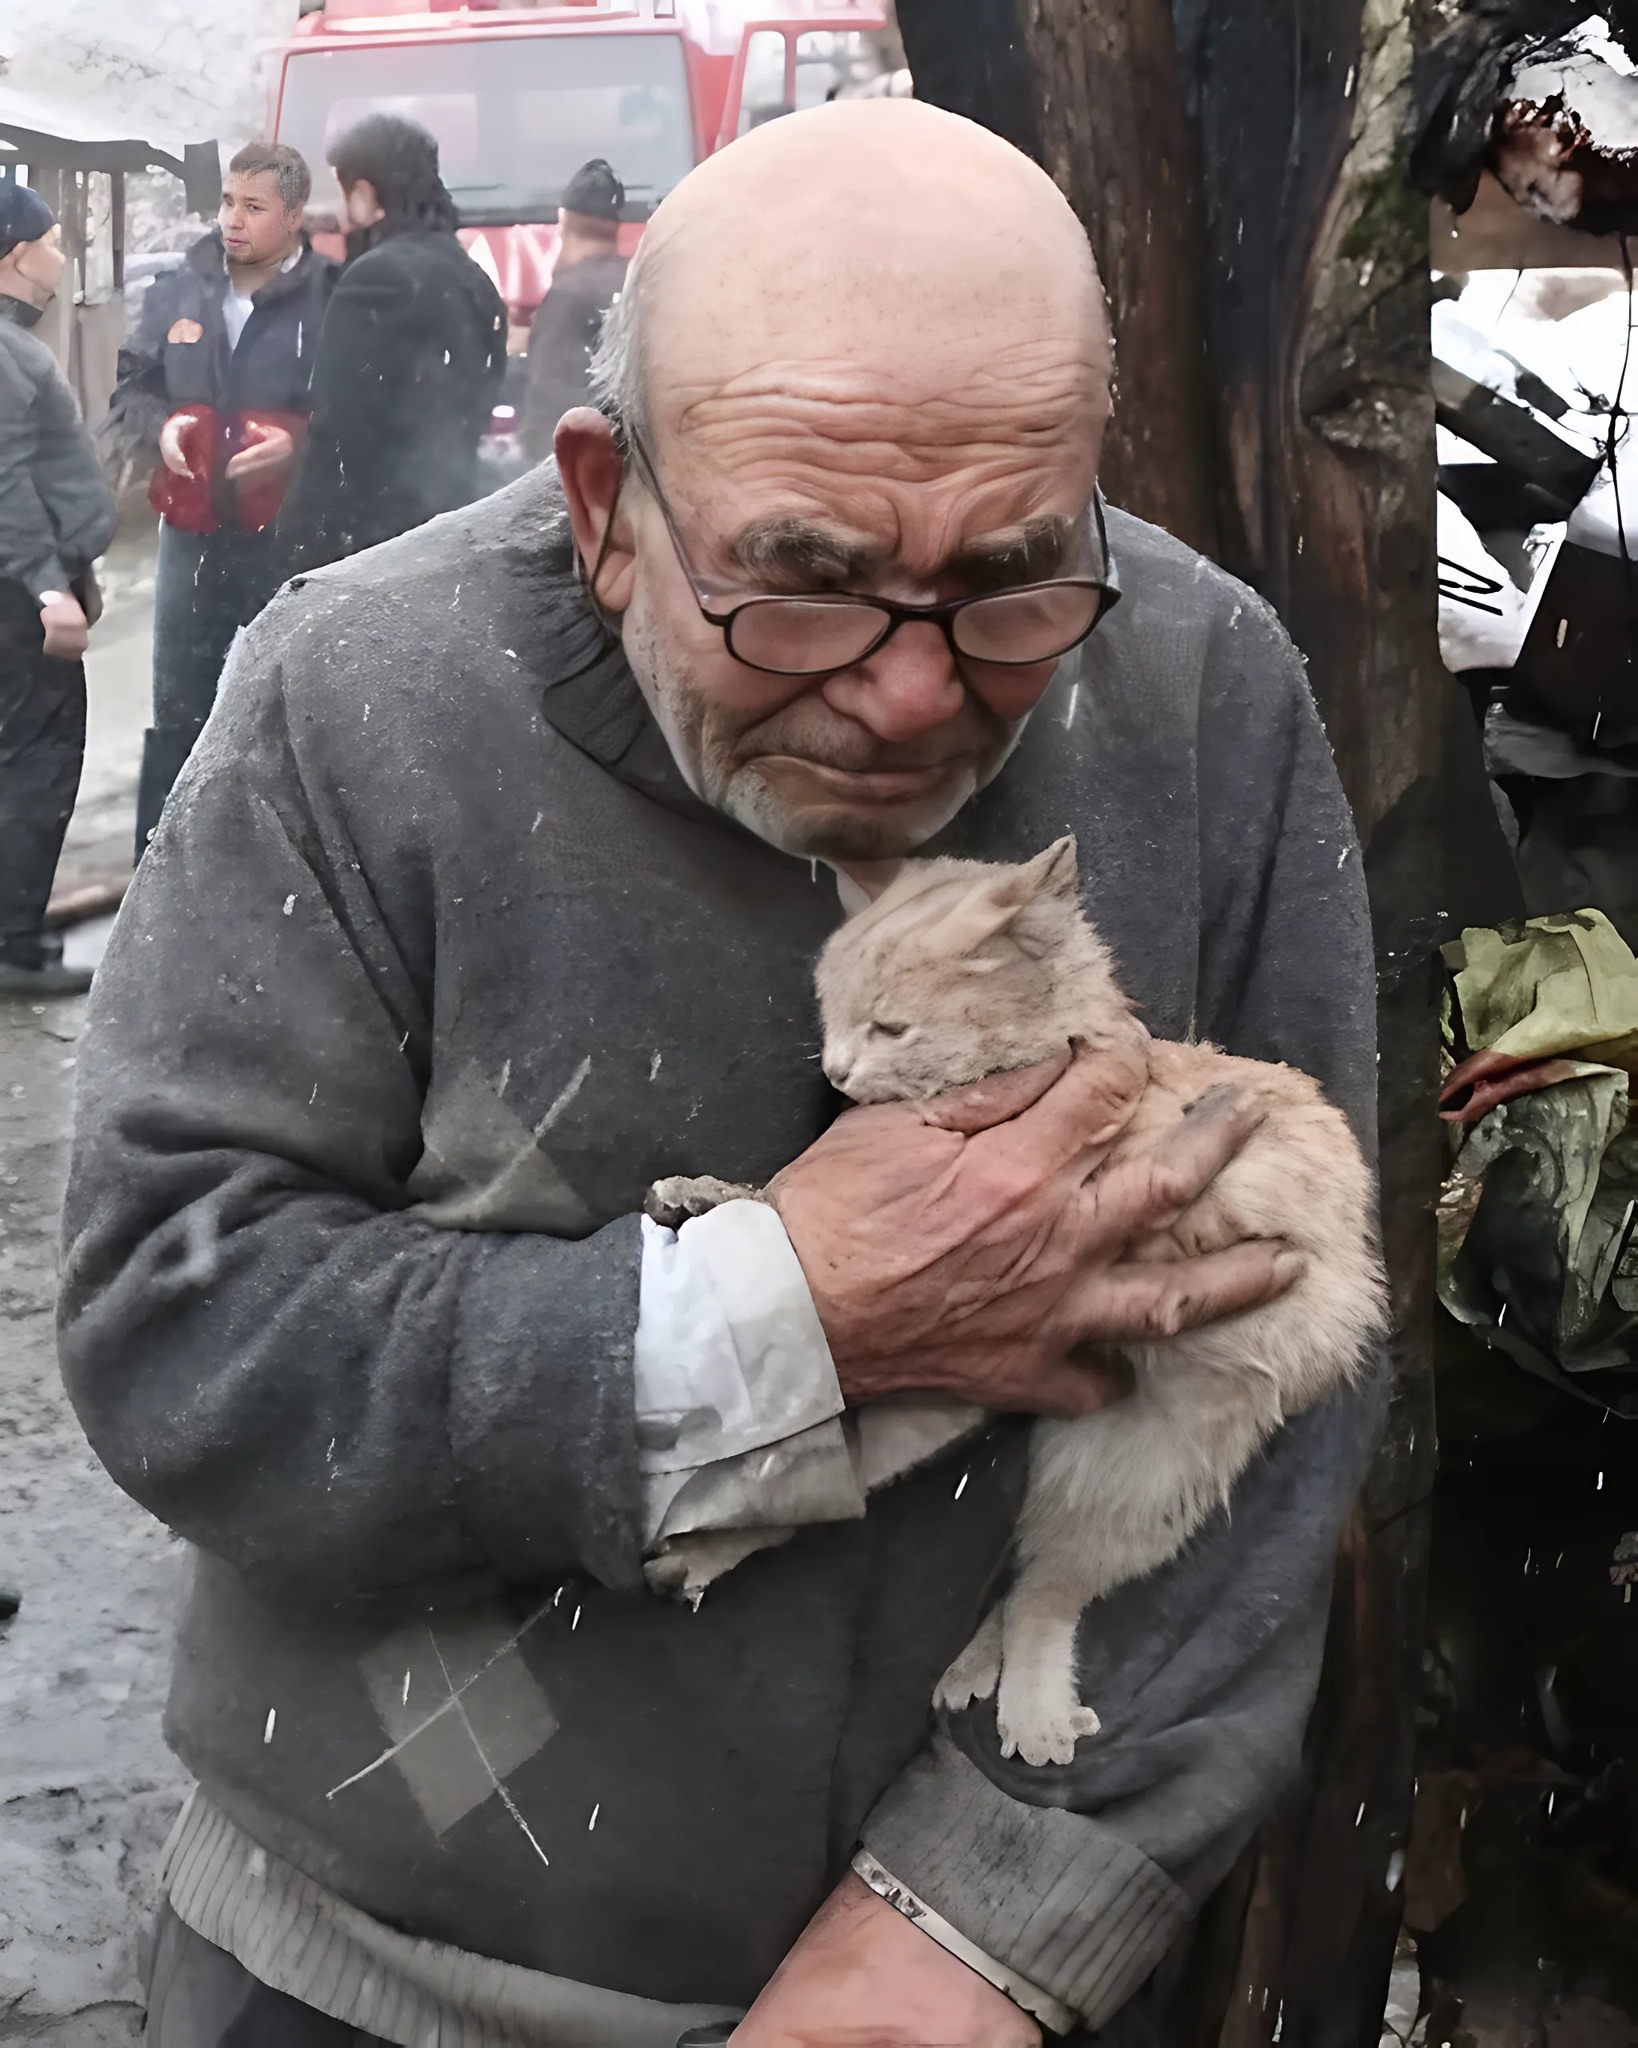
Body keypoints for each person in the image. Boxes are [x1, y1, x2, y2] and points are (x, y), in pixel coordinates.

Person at [61, 101, 1381, 2048]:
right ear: (602, 501)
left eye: (1014, 577)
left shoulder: (1206, 692)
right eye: (806, 579)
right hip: (368, 1988)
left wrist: (994, 1925)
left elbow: (1294, 1386)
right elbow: (179, 1332)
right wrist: (777, 1320)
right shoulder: (354, 698)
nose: (916, 686)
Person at [103, 142, 332, 858]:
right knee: (179, 702)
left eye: (254, 207)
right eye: (229, 201)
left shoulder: (333, 294)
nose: (233, 220)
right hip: (192, 530)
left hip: (286, 534)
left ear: (293, 215)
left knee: (286, 701)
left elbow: (359, 412)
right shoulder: (182, 290)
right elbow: (132, 390)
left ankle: (279, 860)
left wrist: (302, 446)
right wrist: (160, 425)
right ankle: (161, 858)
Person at [278, 114, 507, 572]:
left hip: (376, 545)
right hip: (450, 527)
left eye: (345, 193)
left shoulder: (375, 280)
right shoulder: (472, 277)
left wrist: (297, 545)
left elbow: (339, 432)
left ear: (366, 194)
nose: (342, 215)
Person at [0, 185, 117, 996]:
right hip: (16, 596)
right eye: (50, 240)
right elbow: (3, 482)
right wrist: (48, 589)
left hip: (29, 581)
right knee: (36, 760)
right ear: (14, 254)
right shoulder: (5, 352)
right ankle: (14, 944)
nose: (61, 254)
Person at [520, 157, 630, 466]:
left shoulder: (567, 296)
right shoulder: (637, 280)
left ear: (563, 220)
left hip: (577, 471)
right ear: (614, 226)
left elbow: (548, 401)